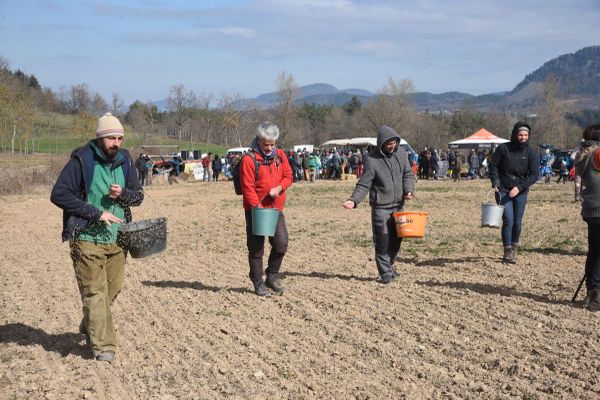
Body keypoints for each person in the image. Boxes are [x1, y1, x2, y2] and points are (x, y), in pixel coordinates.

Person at [50, 112, 144, 362]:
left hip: (116, 239)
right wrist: (95, 213)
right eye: (112, 138)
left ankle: (91, 320)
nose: (117, 143)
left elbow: (138, 196)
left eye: (120, 138)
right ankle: (104, 347)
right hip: (85, 237)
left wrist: (123, 193)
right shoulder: (81, 161)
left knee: (114, 287)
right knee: (94, 293)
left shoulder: (125, 160)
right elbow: (59, 194)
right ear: (100, 137)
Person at [343, 126, 414, 284]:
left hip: (398, 207)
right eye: (389, 143)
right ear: (381, 143)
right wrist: (353, 200)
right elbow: (364, 183)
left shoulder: (401, 154)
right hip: (381, 208)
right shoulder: (371, 159)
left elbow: (408, 174)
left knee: (397, 240)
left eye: (394, 142)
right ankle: (385, 273)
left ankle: (389, 265)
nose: (392, 146)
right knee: (383, 241)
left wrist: (408, 190)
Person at [240, 122, 293, 297]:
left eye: (272, 144)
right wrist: (257, 206)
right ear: (259, 140)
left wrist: (279, 188)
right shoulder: (249, 159)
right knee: (256, 248)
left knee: (281, 243)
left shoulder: (280, 156)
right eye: (265, 144)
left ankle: (272, 275)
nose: (269, 148)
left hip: (275, 209)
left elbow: (288, 176)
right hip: (255, 210)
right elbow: (247, 187)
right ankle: (257, 282)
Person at [489, 122, 538, 263]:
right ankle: (507, 251)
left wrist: (520, 187)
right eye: (520, 134)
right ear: (515, 134)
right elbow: (493, 167)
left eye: (526, 135)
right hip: (503, 190)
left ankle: (515, 246)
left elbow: (534, 175)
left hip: (520, 192)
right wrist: (496, 182)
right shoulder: (503, 149)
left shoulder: (531, 153)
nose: (523, 137)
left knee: (517, 222)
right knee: (508, 220)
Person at [574, 124, 600, 310]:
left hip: (591, 209)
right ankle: (596, 293)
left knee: (594, 251)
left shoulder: (584, 154)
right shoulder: (598, 154)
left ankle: (591, 289)